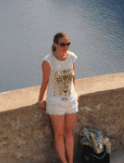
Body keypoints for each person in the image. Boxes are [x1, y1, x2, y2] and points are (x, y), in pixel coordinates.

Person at [38, 32, 78, 163]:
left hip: (71, 101)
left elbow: (73, 77)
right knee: (59, 134)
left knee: (69, 133)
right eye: (62, 44)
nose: (66, 46)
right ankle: (64, 162)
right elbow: (45, 81)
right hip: (55, 102)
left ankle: (71, 161)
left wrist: (75, 92)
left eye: (68, 43)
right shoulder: (48, 61)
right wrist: (40, 99)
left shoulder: (72, 57)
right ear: (55, 44)